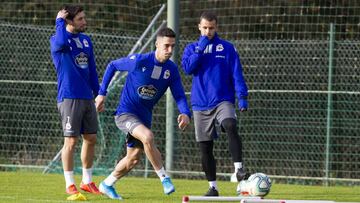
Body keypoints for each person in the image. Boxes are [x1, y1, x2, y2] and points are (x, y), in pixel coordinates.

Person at [95, 27, 191, 200]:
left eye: (172, 46)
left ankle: (107, 184)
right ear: (157, 44)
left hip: (144, 117)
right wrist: (102, 93)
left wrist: (185, 113)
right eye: (166, 46)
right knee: (147, 136)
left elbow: (179, 95)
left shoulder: (171, 70)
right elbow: (112, 66)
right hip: (125, 114)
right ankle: (164, 178)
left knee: (132, 159)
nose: (170, 50)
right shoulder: (140, 61)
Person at [181, 11, 249, 196]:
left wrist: (242, 96)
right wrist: (200, 48)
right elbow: (188, 68)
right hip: (200, 104)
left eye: (211, 28)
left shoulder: (227, 48)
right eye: (205, 28)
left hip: (222, 100)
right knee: (205, 148)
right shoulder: (192, 47)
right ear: (199, 27)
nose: (208, 31)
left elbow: (237, 74)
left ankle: (239, 171)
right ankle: (213, 187)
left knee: (230, 124)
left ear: (216, 27)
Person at [50, 5, 101, 198]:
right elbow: (62, 41)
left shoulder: (86, 41)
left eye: (84, 18)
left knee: (91, 138)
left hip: (87, 97)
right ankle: (70, 184)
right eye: (80, 19)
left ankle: (87, 181)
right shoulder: (57, 39)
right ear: (69, 21)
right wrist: (59, 21)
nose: (84, 22)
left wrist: (98, 94)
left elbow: (92, 71)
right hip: (69, 97)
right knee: (70, 141)